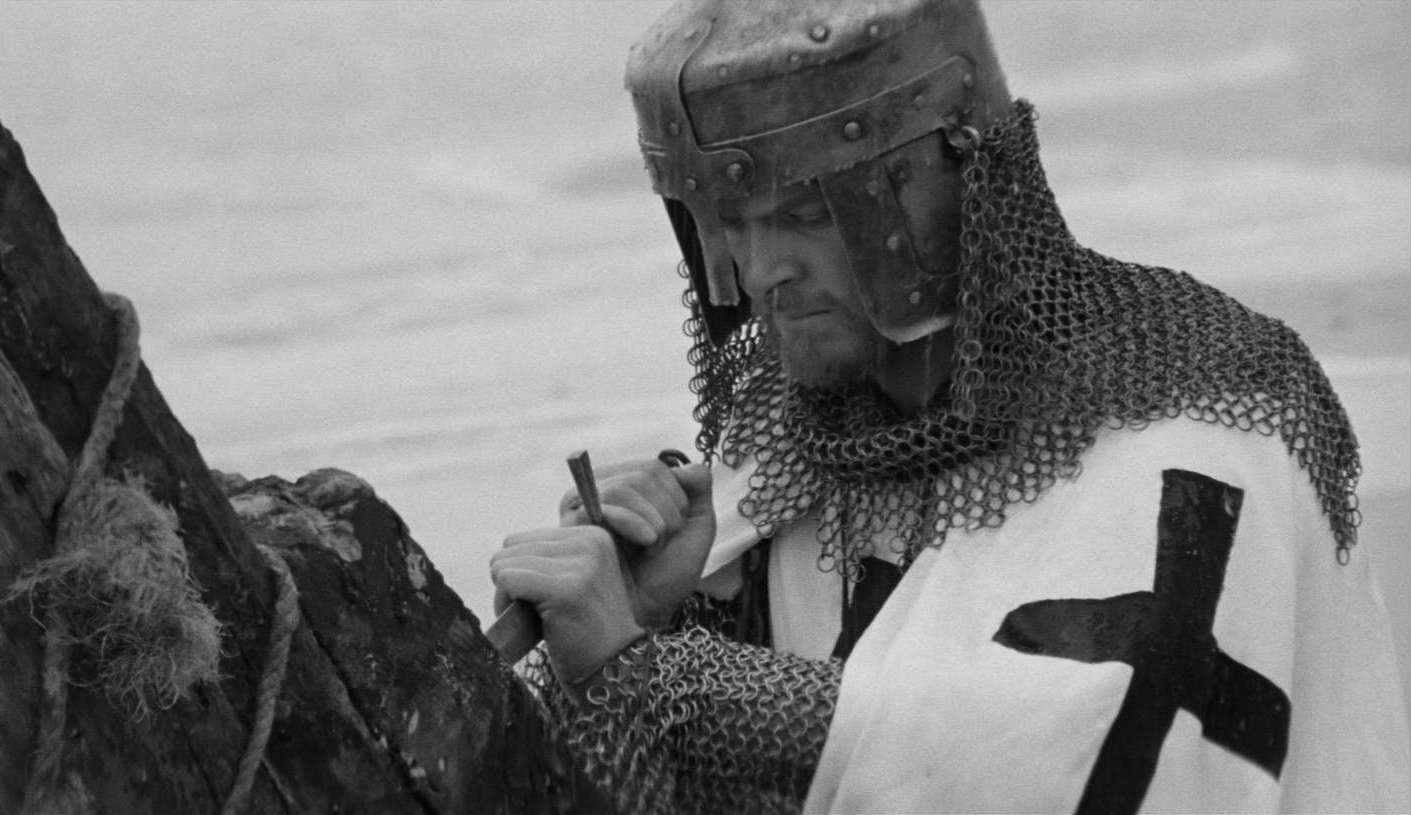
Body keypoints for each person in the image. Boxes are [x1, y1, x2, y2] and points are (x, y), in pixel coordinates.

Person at [488, 1, 1408, 812]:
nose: (762, 271)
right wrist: (674, 608)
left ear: (943, 182)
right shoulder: (795, 438)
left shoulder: (1204, 422)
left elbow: (1062, 760)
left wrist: (643, 669)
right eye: (732, 222)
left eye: (806, 214)